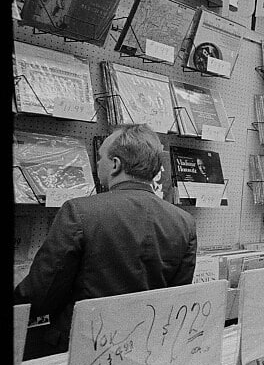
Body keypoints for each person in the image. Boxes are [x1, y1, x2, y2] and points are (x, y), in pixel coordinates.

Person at [14, 124, 197, 353]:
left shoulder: (79, 212)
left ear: (115, 165)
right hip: (145, 347)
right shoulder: (184, 222)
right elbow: (176, 298)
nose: (96, 163)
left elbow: (42, 292)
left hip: (81, 347)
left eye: (100, 157)